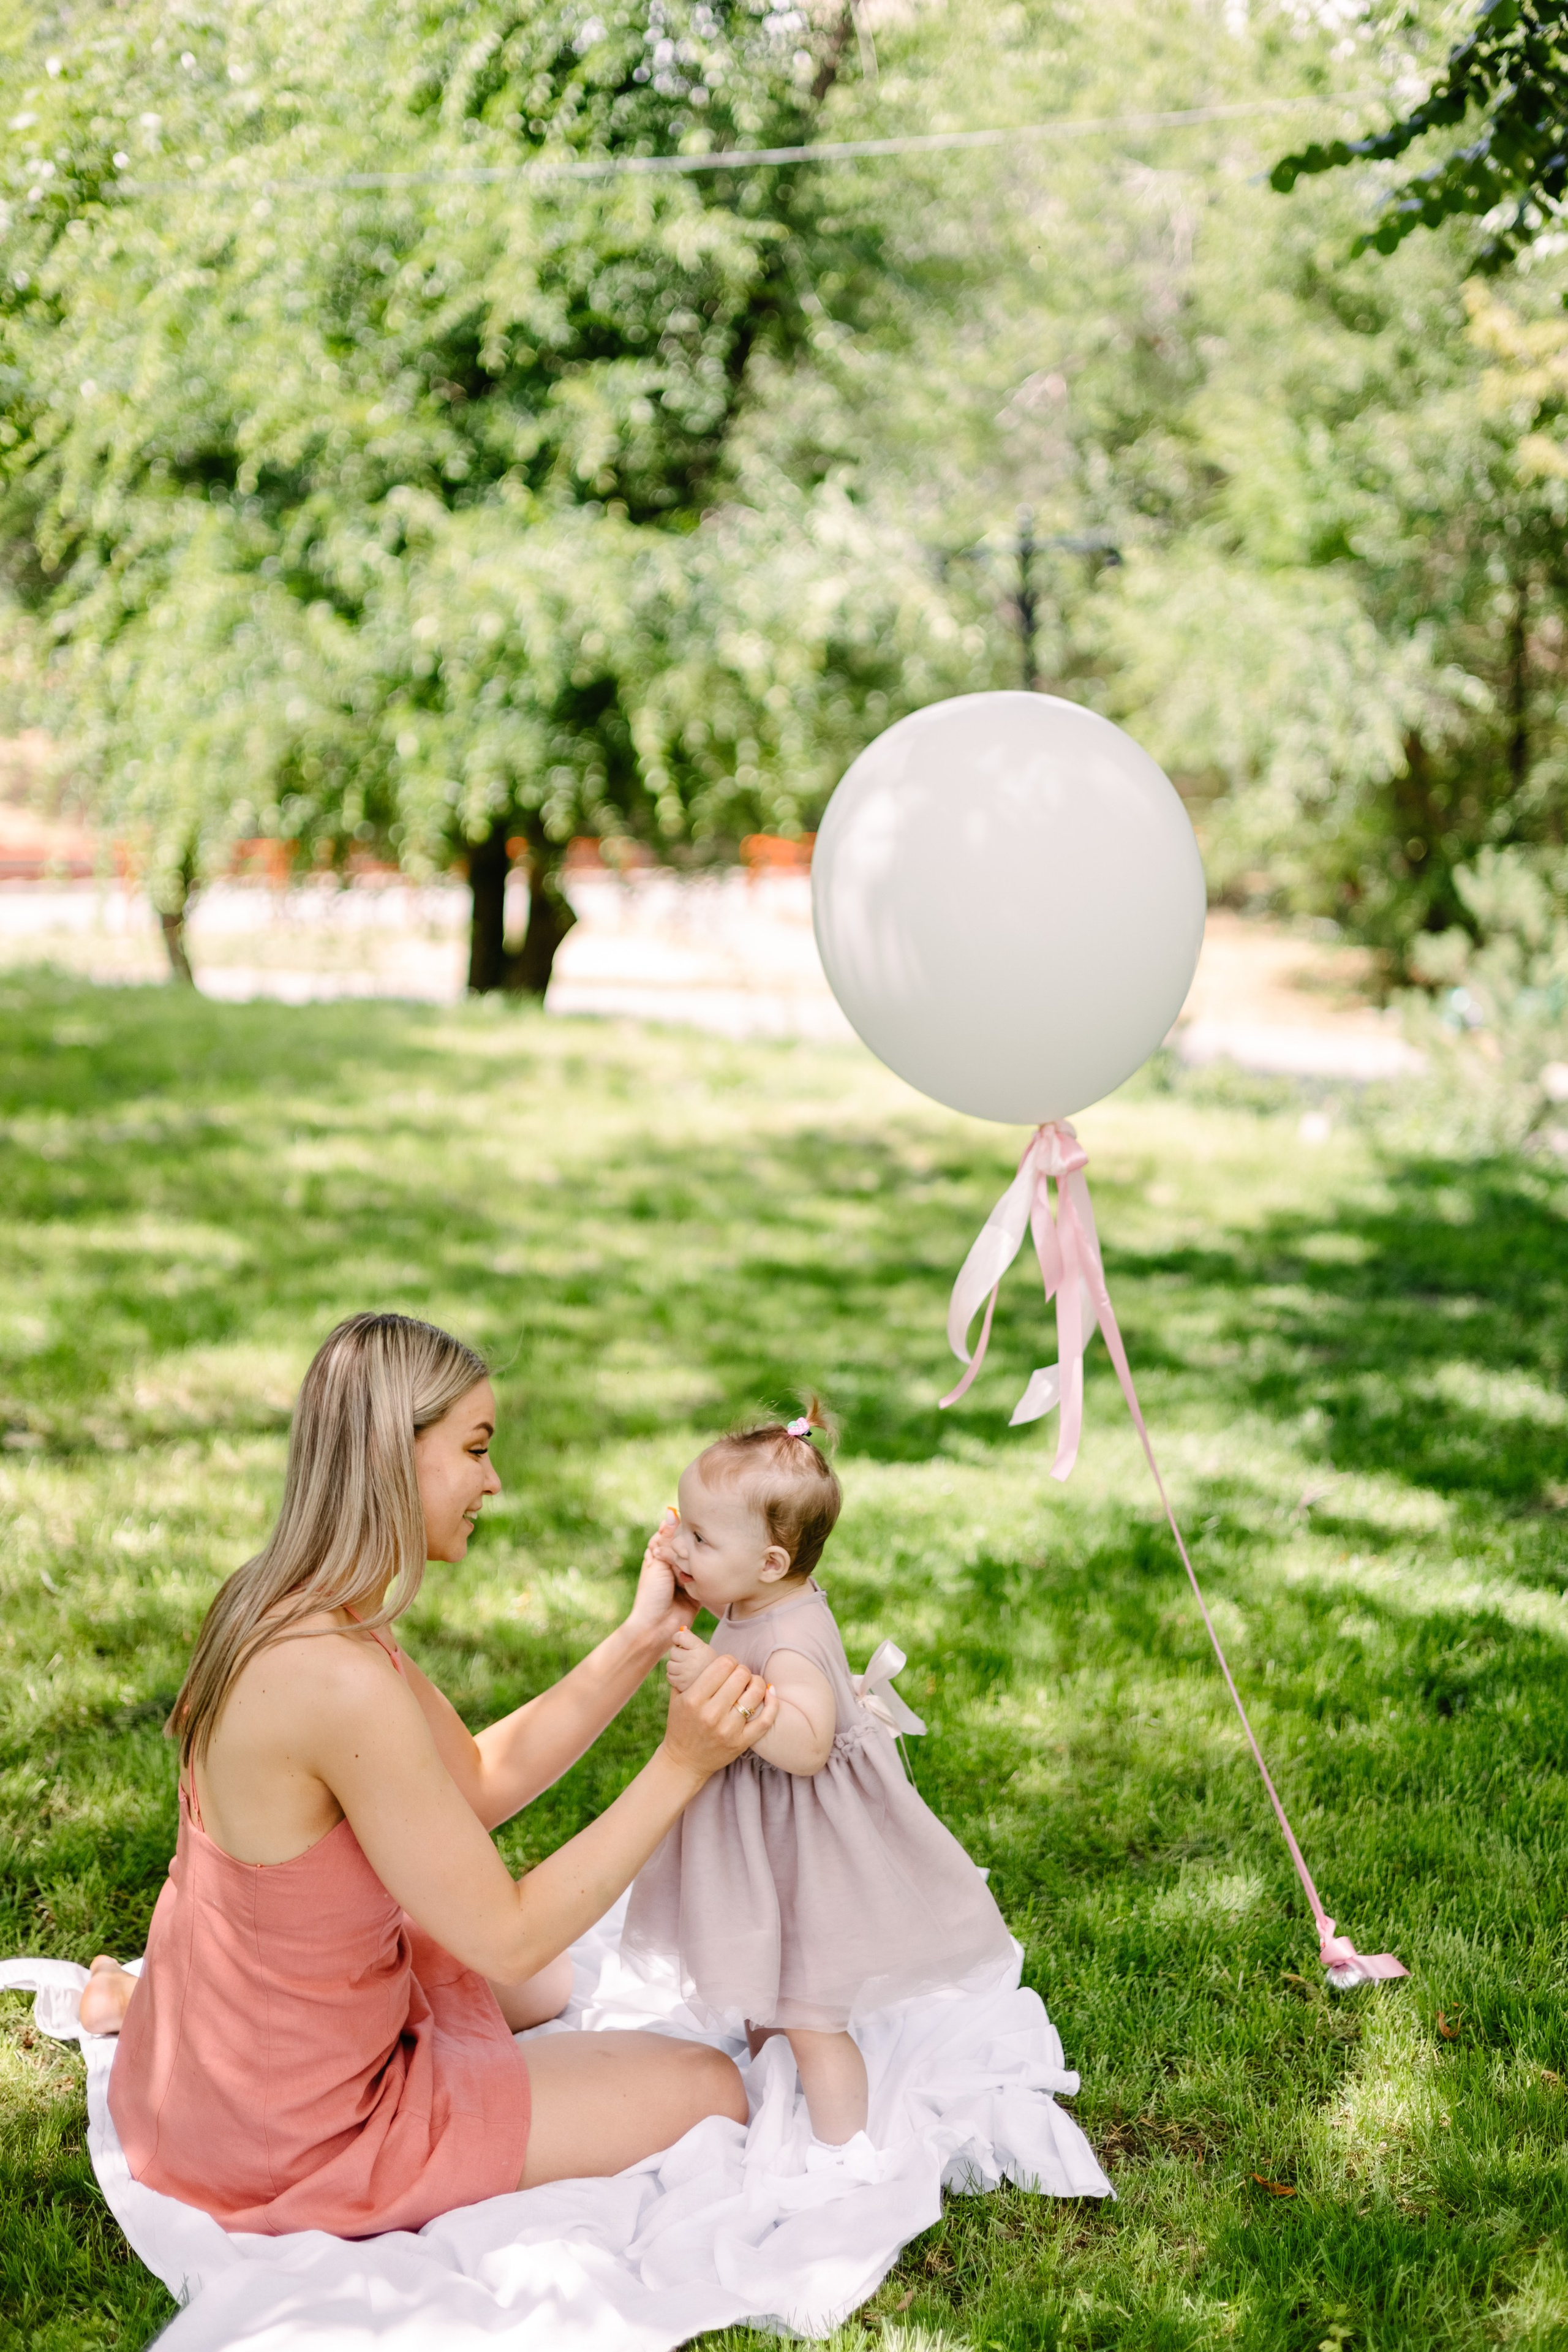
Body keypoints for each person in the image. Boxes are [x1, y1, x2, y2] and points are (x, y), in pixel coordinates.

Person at [80, 1311, 778, 2236]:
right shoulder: (335, 1679)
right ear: (390, 1456)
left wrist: (648, 1635)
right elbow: (509, 1936)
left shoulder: (286, 1601)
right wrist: (682, 1763)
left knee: (552, 1991)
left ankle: (140, 2005)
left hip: (221, 2060)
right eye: (476, 1448)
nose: (495, 1479)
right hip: (293, 2136)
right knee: (710, 2086)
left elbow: (480, 1778)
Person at [621, 1400, 1013, 2147]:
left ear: (771, 1563)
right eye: (682, 1524)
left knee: (809, 2012)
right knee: (760, 1984)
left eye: (699, 1537)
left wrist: (716, 1676)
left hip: (810, 1839)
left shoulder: (794, 1635)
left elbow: (804, 1746)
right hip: (763, 1832)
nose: (677, 1544)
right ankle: (778, 2103)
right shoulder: (749, 1597)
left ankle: (843, 2150)